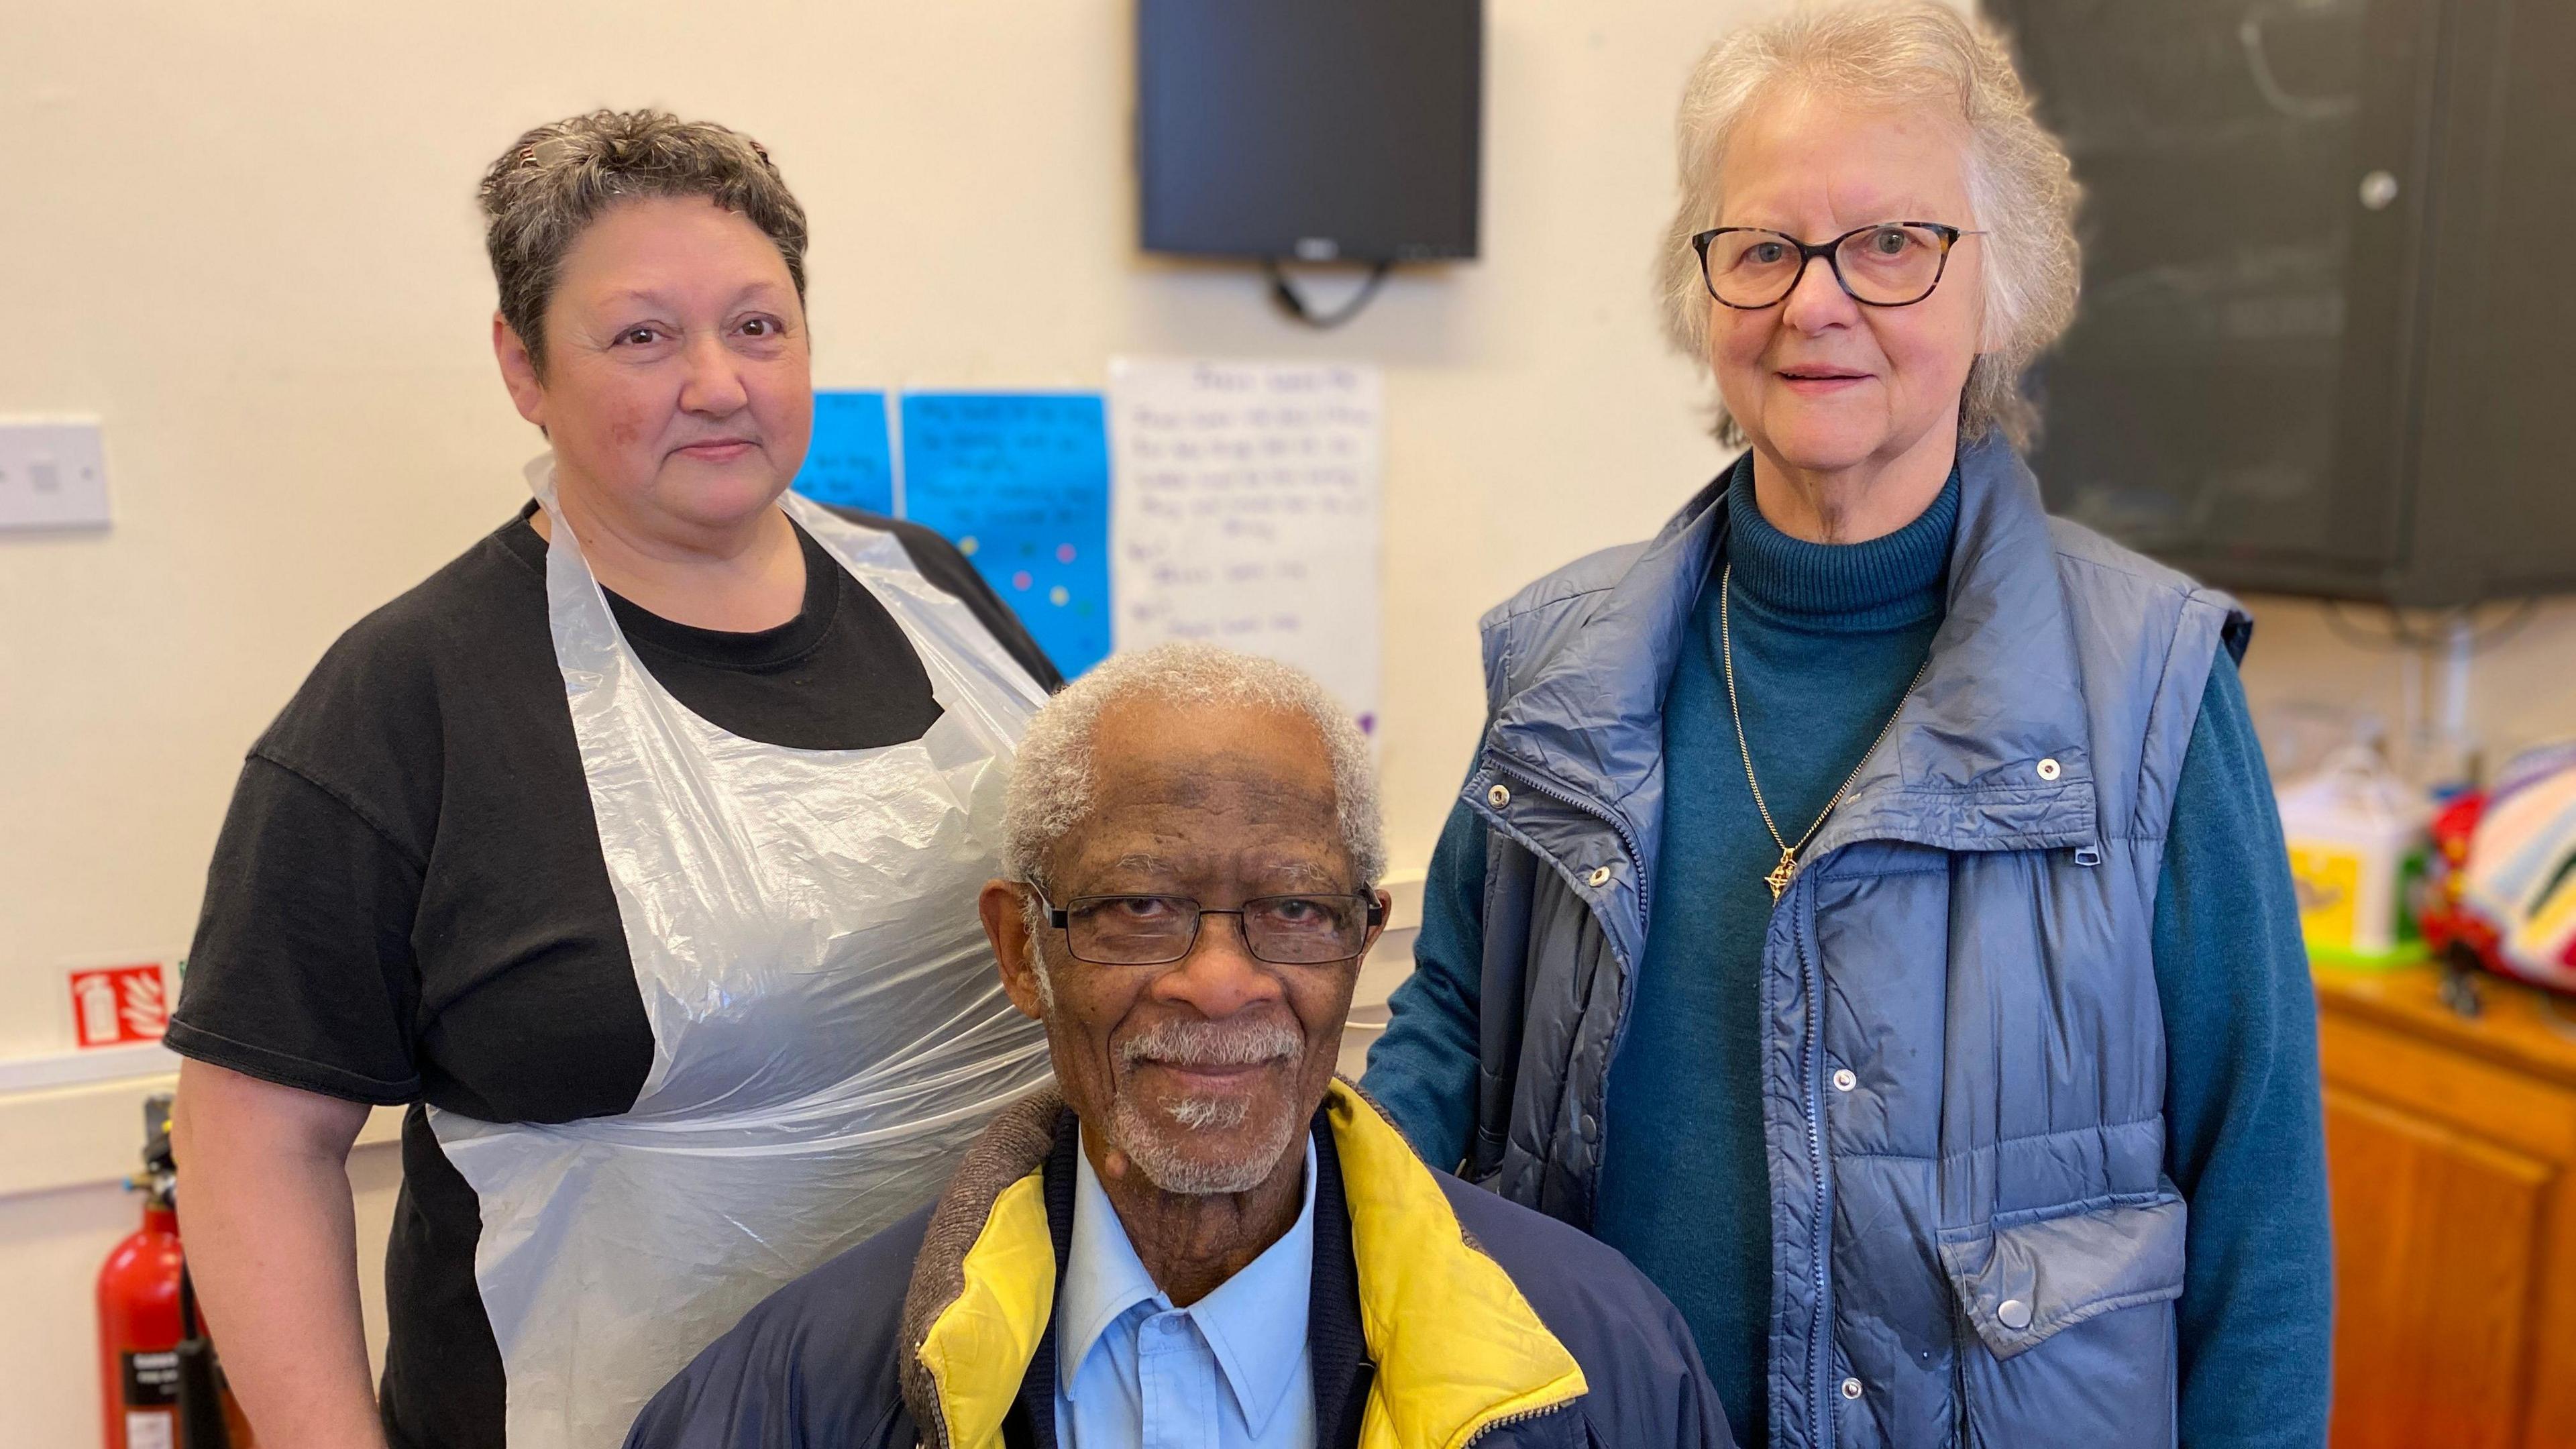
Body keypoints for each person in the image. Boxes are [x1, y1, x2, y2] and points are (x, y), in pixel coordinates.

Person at [1360, 5, 2333, 1447]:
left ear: (2002, 289)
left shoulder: (2155, 689)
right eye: (1763, 248)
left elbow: (2258, 1209)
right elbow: (1448, 1027)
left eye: (1892, 245)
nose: (1818, 302)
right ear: (1704, 299)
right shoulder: (1560, 667)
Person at [164, 110, 1062, 1449]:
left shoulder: (935, 594)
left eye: (757, 327)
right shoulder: (412, 696)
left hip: (989, 1396)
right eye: (643, 336)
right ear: (523, 366)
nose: (717, 382)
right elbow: (252, 1142)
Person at [625, 643, 1733, 1449]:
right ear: (1023, 950)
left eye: (1295, 909)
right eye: (1139, 904)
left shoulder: (1603, 1366)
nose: (1218, 982)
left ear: (1360, 945)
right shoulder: (800, 1397)